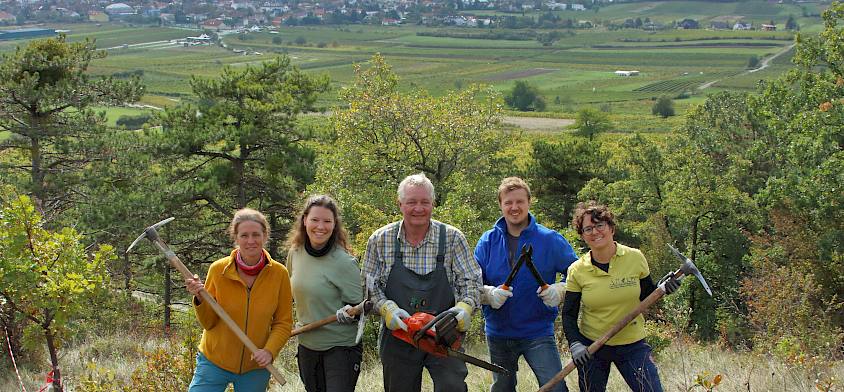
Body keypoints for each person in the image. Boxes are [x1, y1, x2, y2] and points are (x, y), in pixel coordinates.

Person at [362, 172, 483, 392]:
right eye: (411, 202)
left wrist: (465, 308)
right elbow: (370, 288)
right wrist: (386, 308)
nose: (418, 208)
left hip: (443, 334)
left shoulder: (453, 238)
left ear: (433, 204)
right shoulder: (380, 240)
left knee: (452, 386)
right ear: (400, 204)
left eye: (424, 202)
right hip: (399, 337)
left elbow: (472, 282)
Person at [562, 201, 680, 392]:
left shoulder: (635, 257)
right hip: (593, 347)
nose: (595, 232)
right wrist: (576, 344)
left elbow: (647, 295)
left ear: (611, 228)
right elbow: (568, 314)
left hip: (632, 344)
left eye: (600, 225)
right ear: (582, 236)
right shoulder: (577, 270)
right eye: (588, 228)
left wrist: (663, 287)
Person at [474, 177, 578, 392]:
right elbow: (469, 283)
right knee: (503, 388)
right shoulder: (487, 241)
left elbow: (580, 274)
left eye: (520, 201)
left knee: (555, 388)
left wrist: (560, 290)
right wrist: (487, 294)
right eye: (508, 202)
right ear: (501, 205)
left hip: (538, 331)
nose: (514, 208)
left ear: (529, 202)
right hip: (498, 333)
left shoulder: (550, 239)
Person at [184, 208, 293, 392]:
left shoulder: (279, 274)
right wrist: (199, 298)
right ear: (236, 238)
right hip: (214, 361)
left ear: (265, 236)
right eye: (244, 235)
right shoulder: (218, 270)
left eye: (256, 235)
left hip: (256, 366)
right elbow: (208, 323)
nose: (251, 241)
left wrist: (269, 351)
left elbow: (283, 322)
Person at [286, 194, 364, 392]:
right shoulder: (295, 253)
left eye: (327, 221)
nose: (320, 226)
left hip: (340, 348)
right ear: (304, 221)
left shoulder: (345, 263)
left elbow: (360, 310)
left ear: (334, 225)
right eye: (315, 219)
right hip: (307, 345)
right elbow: (288, 293)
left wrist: (350, 314)